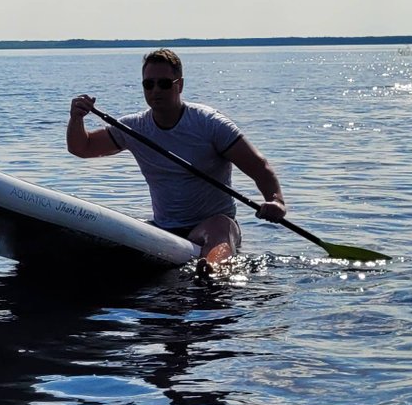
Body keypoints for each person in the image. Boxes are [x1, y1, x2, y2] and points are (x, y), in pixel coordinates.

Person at [66, 47, 286, 260]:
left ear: (179, 85)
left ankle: (213, 275)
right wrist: (76, 118)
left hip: (211, 226)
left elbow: (259, 166)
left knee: (220, 227)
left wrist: (275, 201)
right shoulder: (133, 128)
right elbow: (81, 148)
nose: (155, 91)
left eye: (163, 84)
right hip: (164, 231)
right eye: (148, 84)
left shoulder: (210, 124)